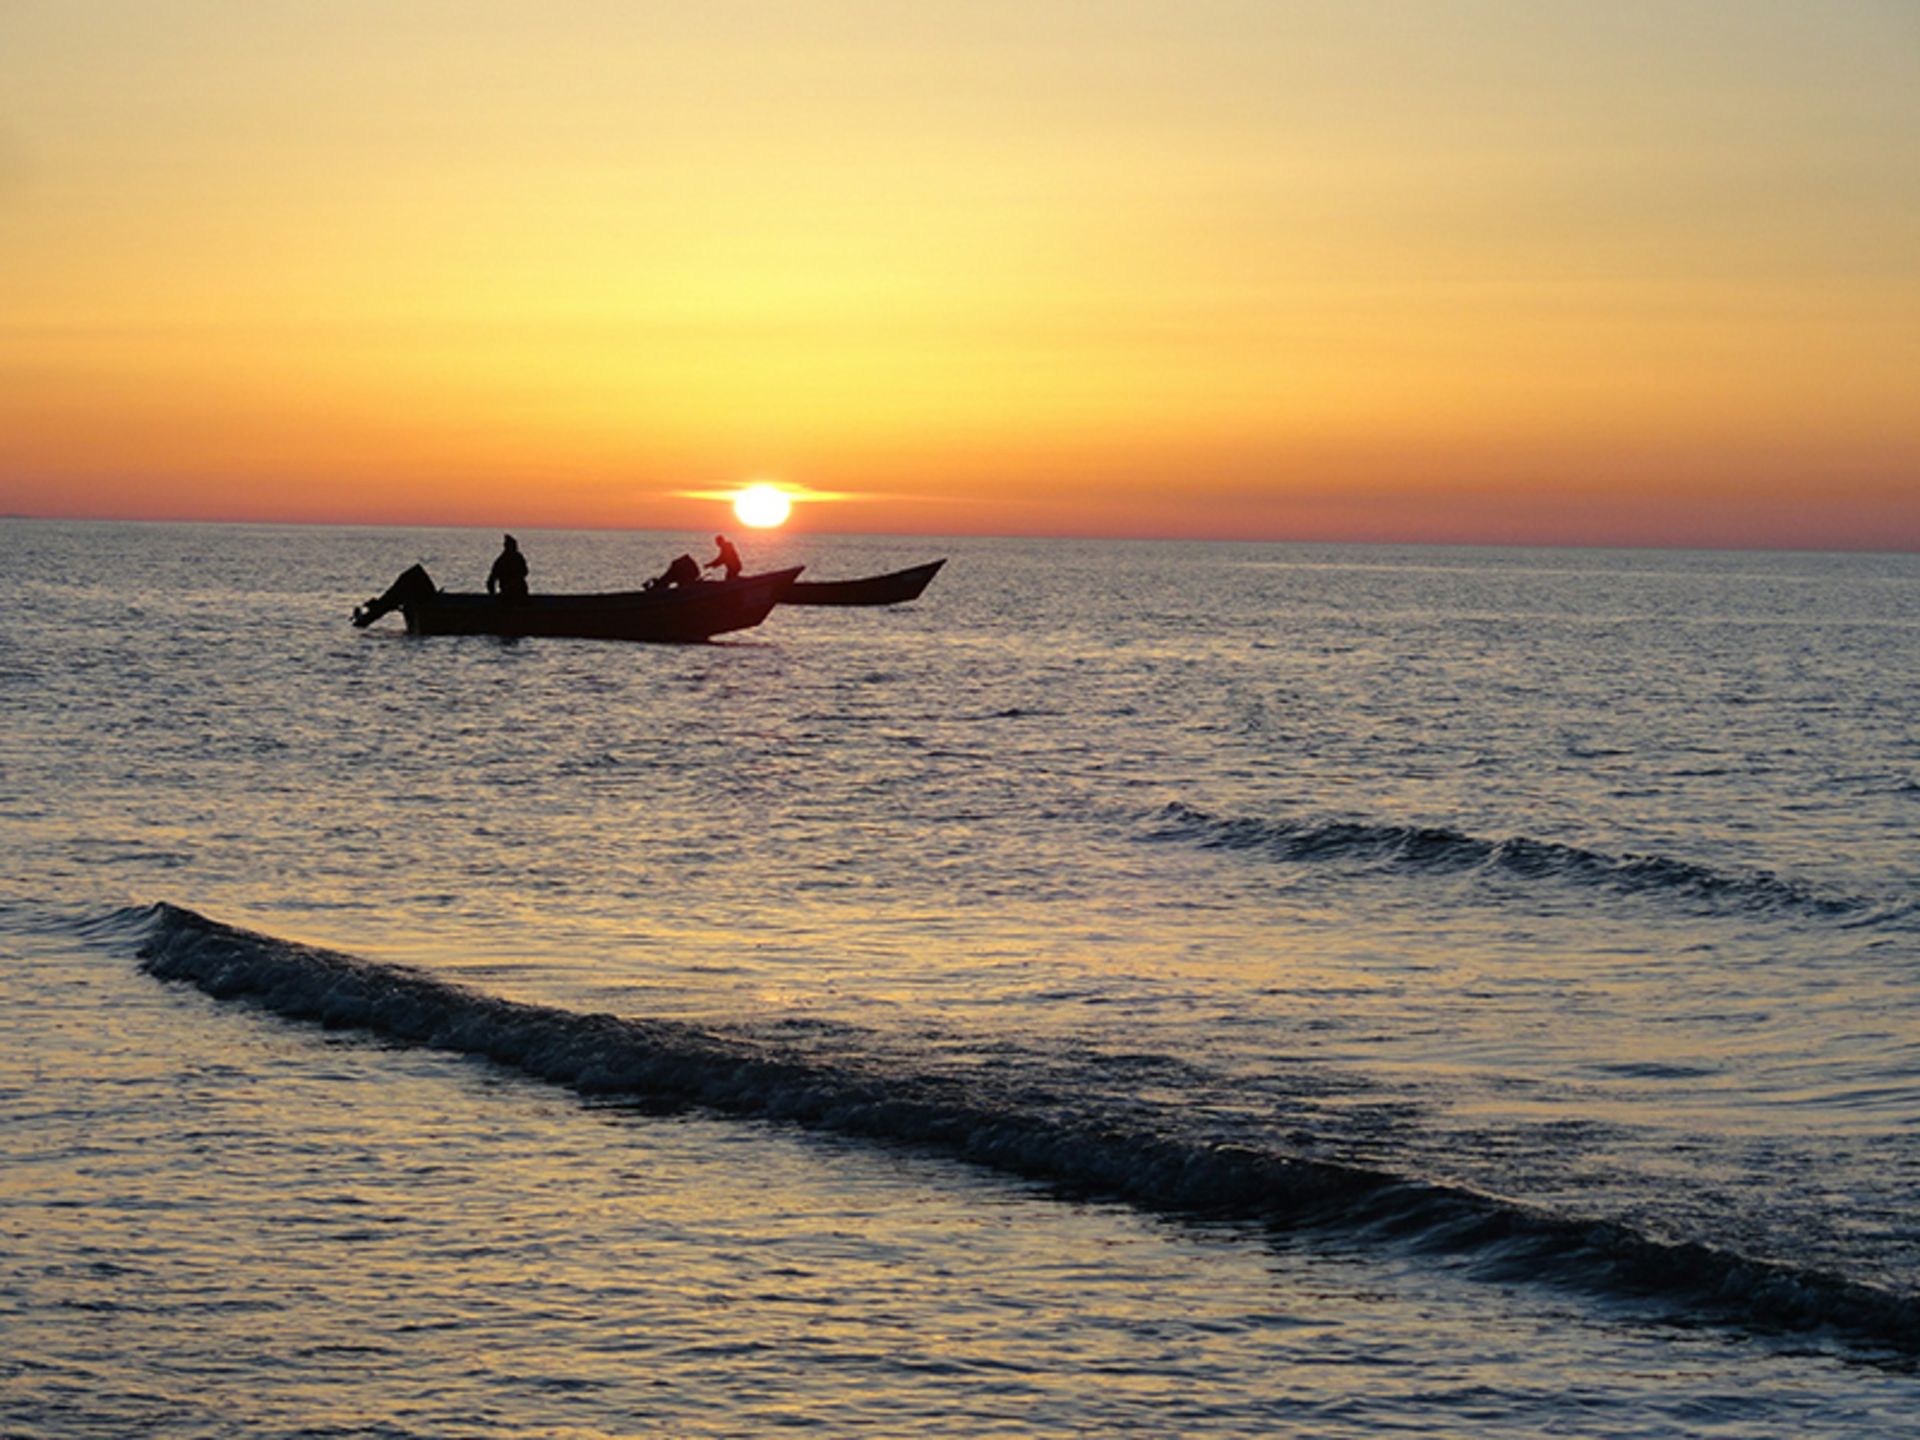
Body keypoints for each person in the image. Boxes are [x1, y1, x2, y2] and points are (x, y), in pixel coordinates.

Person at [487, 534, 529, 603]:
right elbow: (491, 580)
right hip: (508, 595)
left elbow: (525, 572)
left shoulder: (518, 558)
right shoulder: (502, 561)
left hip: (519, 594)